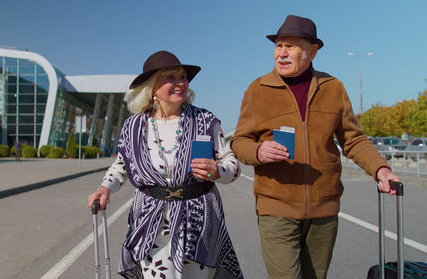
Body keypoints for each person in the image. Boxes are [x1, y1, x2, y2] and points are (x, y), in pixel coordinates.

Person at [231, 15, 400, 279]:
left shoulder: (333, 88)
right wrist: (258, 152)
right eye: (278, 46)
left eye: (291, 46)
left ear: (312, 51)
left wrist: (381, 170)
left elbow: (353, 140)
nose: (282, 53)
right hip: (276, 207)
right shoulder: (257, 89)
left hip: (324, 209)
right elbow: (240, 141)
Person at [87, 50, 243, 279]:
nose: (180, 83)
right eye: (170, 78)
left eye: (182, 77)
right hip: (151, 223)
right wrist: (105, 188)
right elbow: (120, 167)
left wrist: (218, 171)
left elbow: (232, 164)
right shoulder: (133, 126)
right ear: (152, 88)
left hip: (199, 224)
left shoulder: (205, 120)